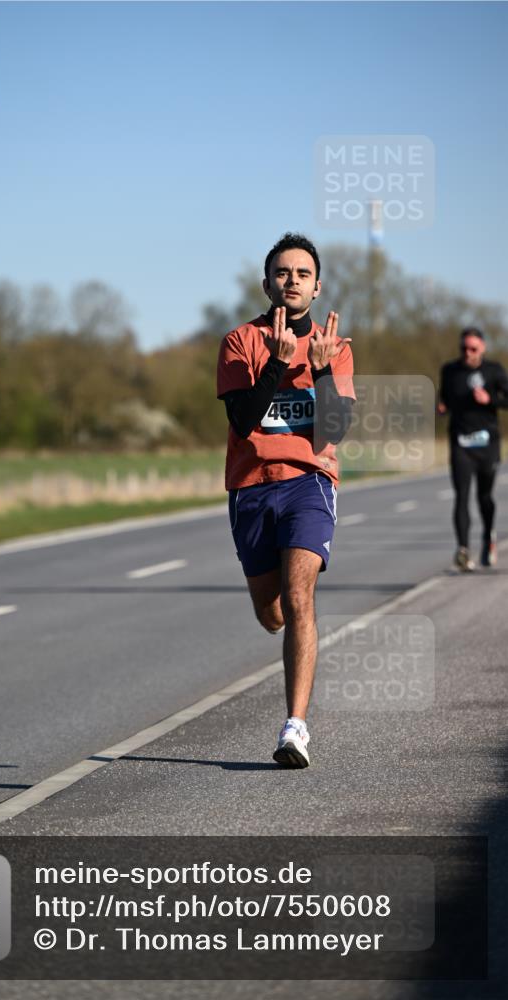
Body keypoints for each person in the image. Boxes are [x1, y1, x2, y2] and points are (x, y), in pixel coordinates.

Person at [217, 233, 355, 768]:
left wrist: (320, 370)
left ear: (316, 287)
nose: (291, 281)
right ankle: (277, 624)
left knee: (300, 599)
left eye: (302, 274)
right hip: (251, 486)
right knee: (272, 613)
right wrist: (276, 364)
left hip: (310, 481)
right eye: (282, 273)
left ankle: (294, 727)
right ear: (267, 283)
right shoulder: (239, 342)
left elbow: (334, 430)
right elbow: (242, 420)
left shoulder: (335, 347)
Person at [438, 327, 508, 571]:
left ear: (483, 348)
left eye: (473, 349)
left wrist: (491, 400)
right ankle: (463, 550)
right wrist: (442, 406)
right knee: (462, 495)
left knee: (484, 497)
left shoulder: (494, 371)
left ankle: (488, 537)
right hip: (461, 443)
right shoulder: (450, 370)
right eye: (464, 348)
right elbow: (444, 396)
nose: (468, 353)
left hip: (487, 444)